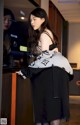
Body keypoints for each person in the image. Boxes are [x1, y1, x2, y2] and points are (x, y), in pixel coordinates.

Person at [16, 8, 73, 125]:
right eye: (30, 20)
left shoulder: (44, 35)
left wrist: (26, 71)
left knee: (52, 109)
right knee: (52, 108)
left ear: (43, 19)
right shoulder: (45, 33)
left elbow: (44, 58)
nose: (32, 22)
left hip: (53, 75)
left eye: (34, 19)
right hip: (54, 73)